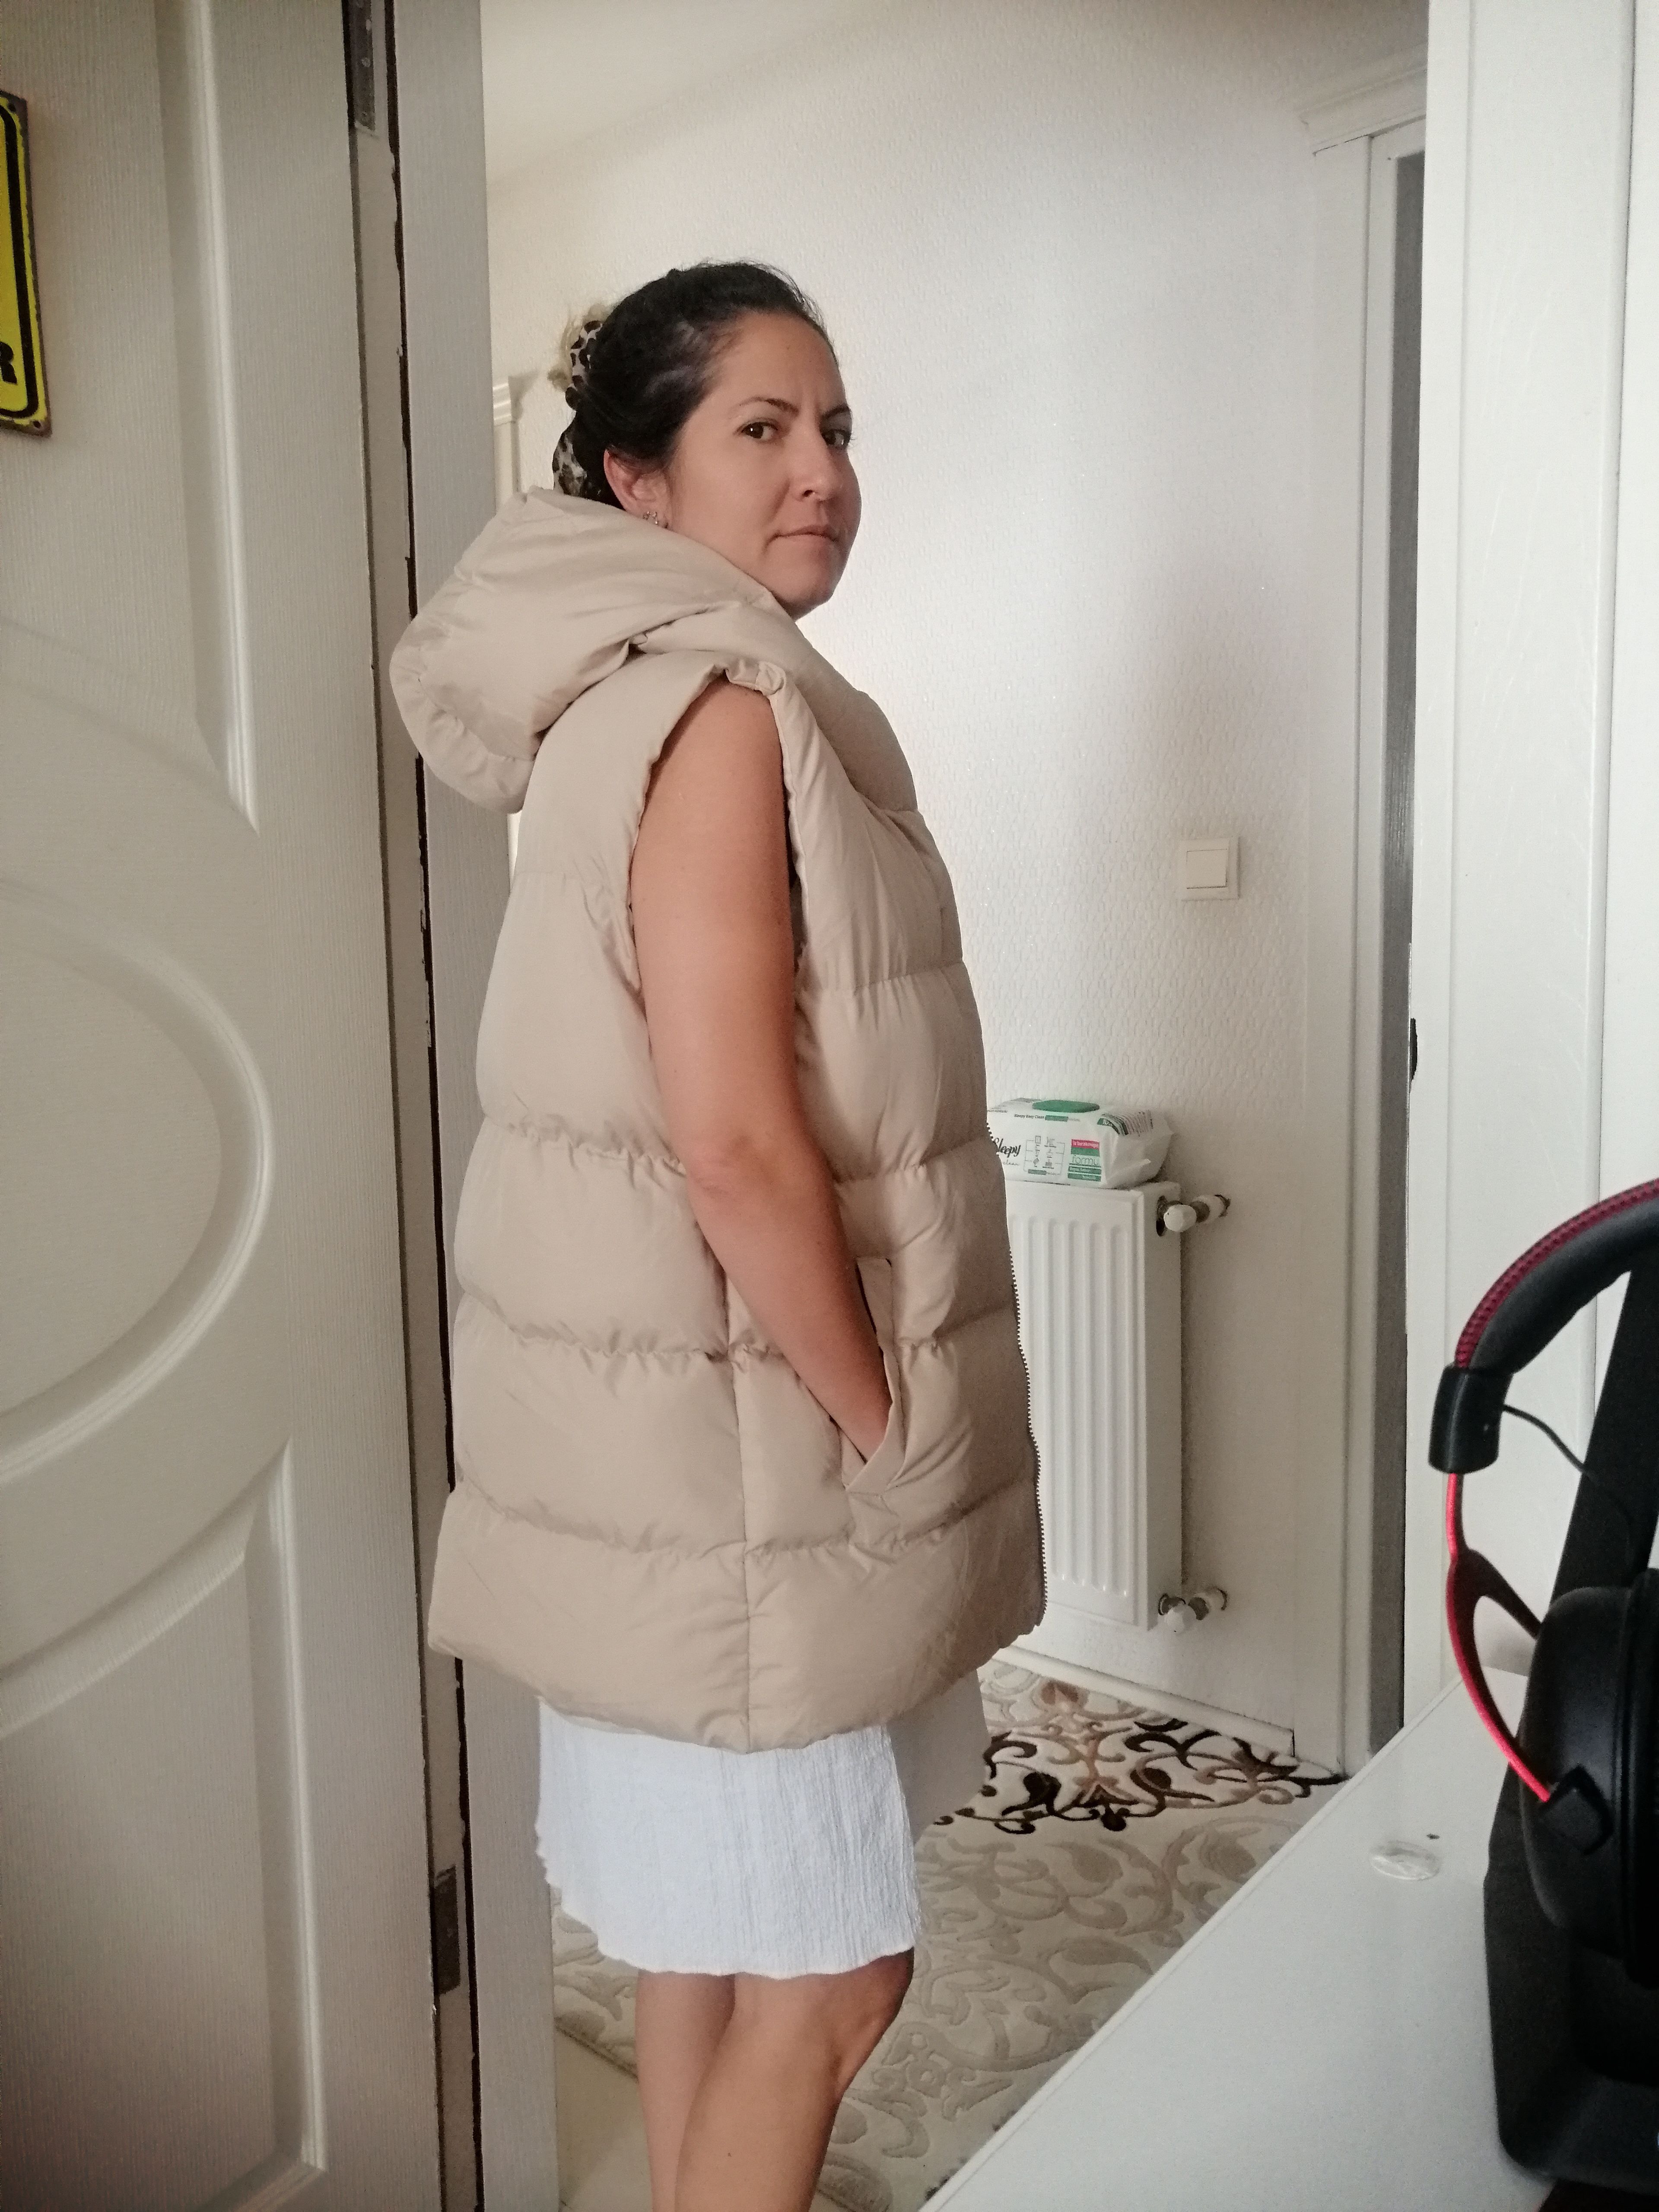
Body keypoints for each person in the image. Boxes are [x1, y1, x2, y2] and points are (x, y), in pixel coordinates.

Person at [390, 261, 1044, 2212]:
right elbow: (737, 1146)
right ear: (636, 477)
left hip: (668, 1483)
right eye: (762, 426)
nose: (822, 467)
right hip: (750, 1484)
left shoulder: (620, 707)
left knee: (703, 1947)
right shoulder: (726, 711)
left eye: (836, 425)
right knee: (835, 1977)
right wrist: (887, 1425)